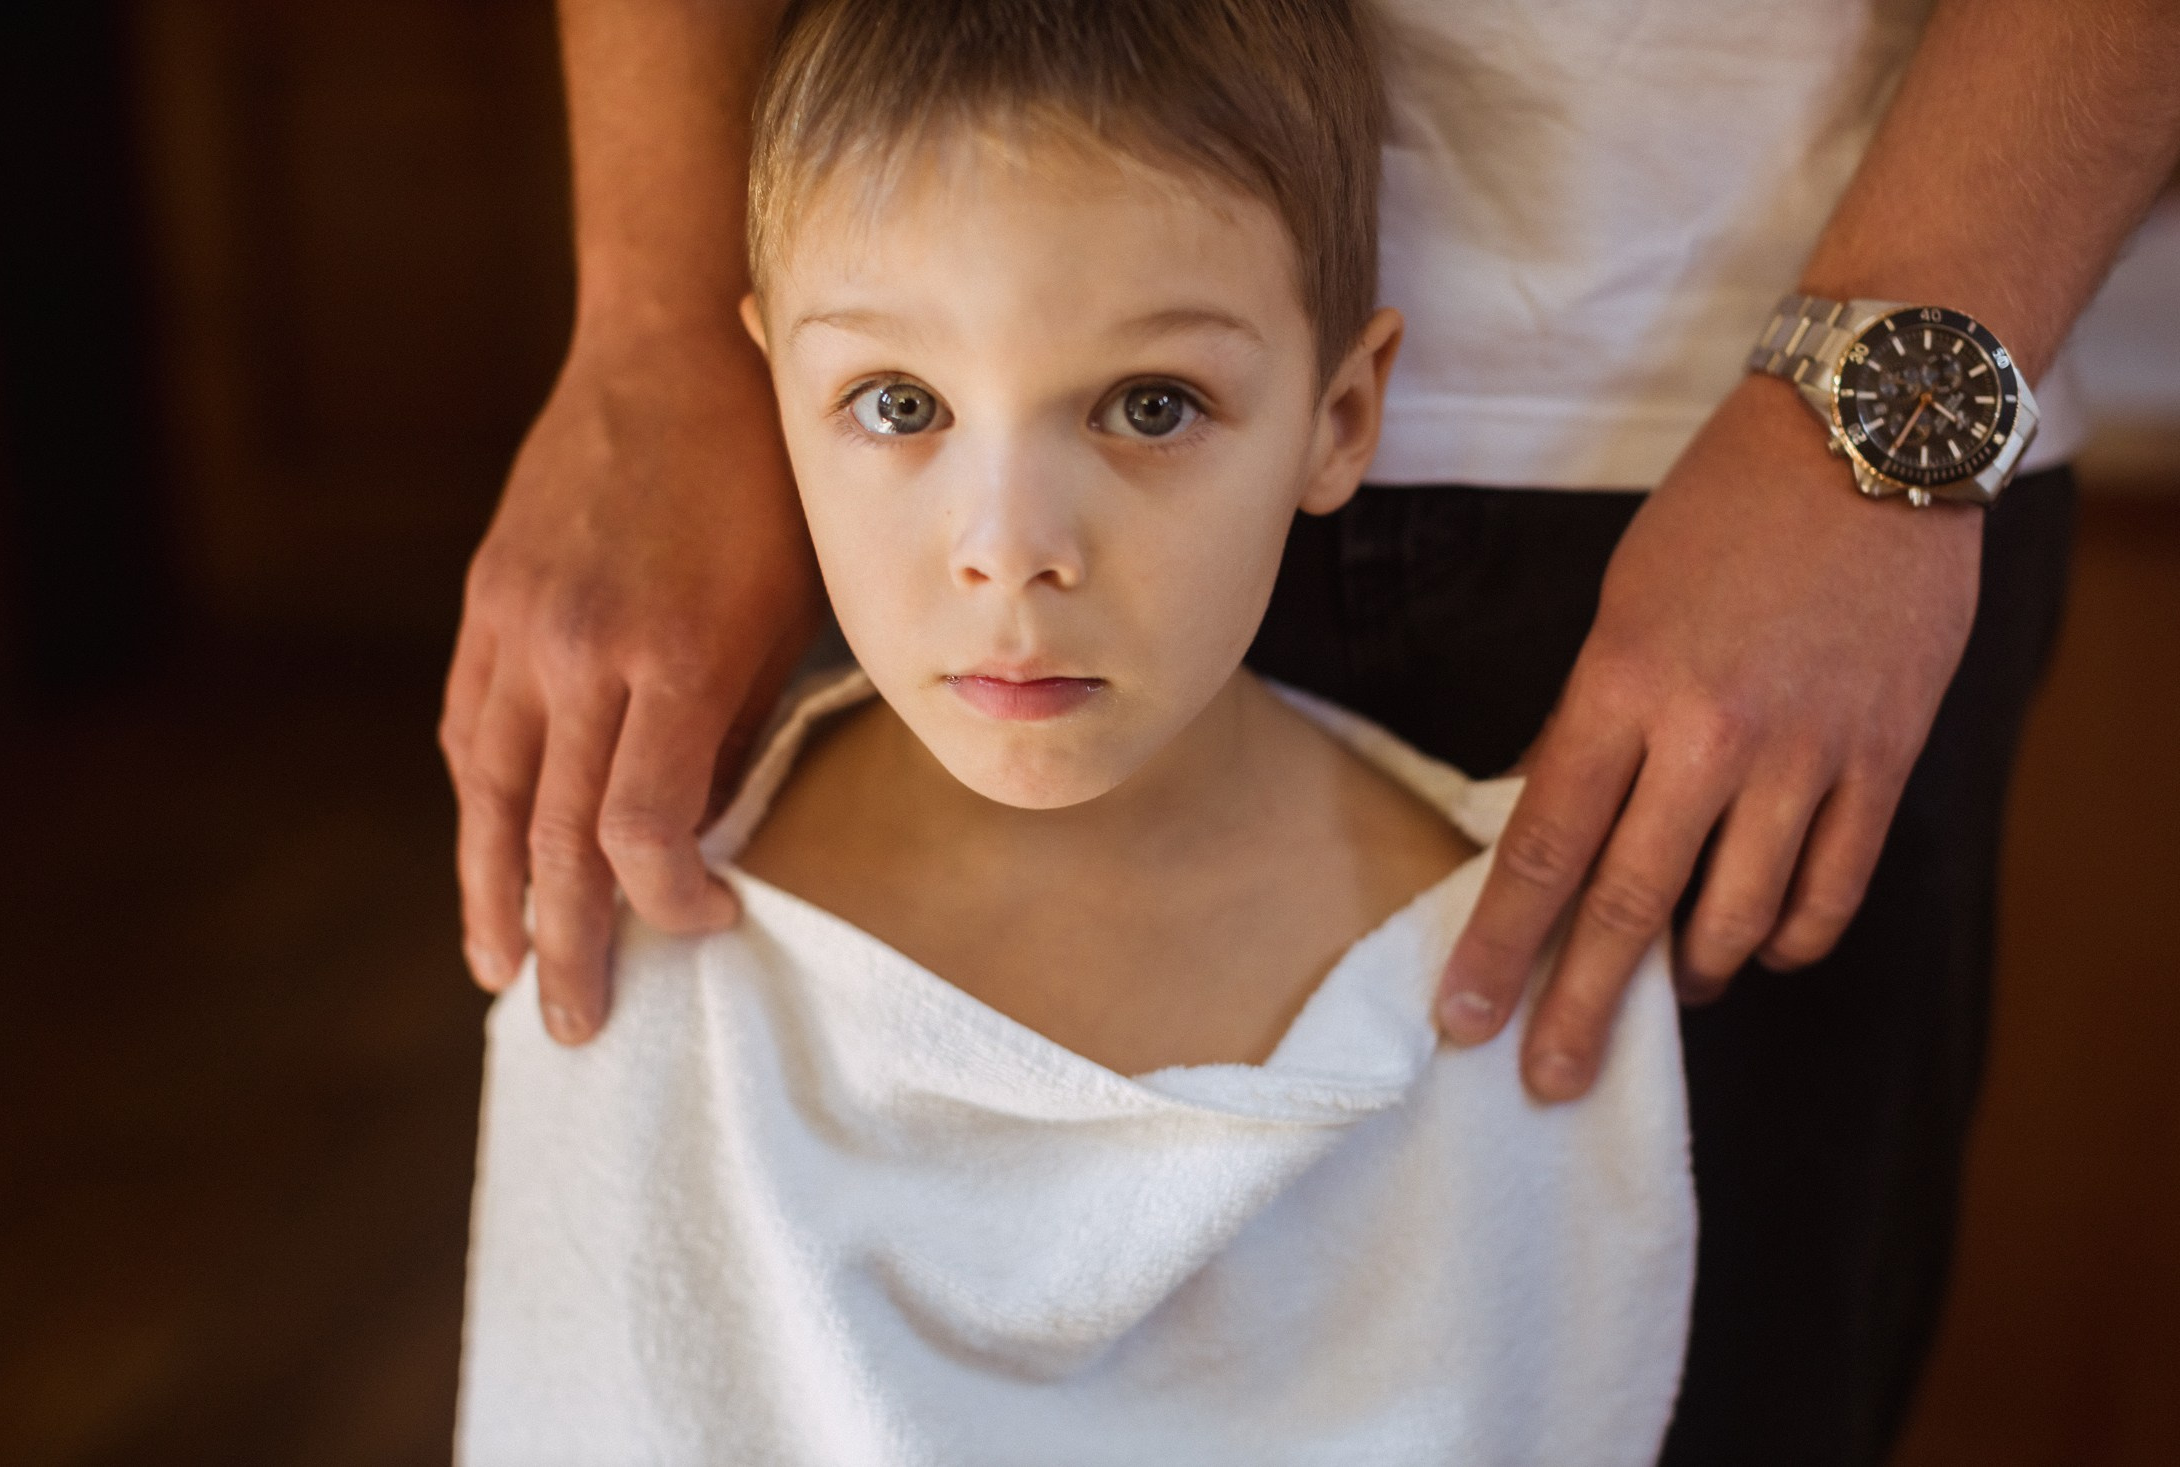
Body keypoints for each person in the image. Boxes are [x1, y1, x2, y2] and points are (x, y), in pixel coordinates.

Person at [439, 0, 2180, 1458]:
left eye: (1148, 405)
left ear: (1343, 410)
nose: (1010, 549)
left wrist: (1879, 415)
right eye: (899, 402)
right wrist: (650, 314)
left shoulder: (1530, 1010)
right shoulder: (656, 948)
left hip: (1755, 454)